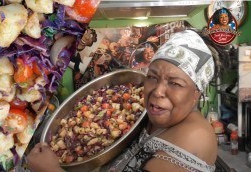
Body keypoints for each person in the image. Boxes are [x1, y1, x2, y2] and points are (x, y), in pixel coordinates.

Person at [26, 30, 218, 172]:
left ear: (196, 93)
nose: (157, 91)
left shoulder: (195, 135)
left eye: (175, 83)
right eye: (152, 77)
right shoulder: (160, 116)